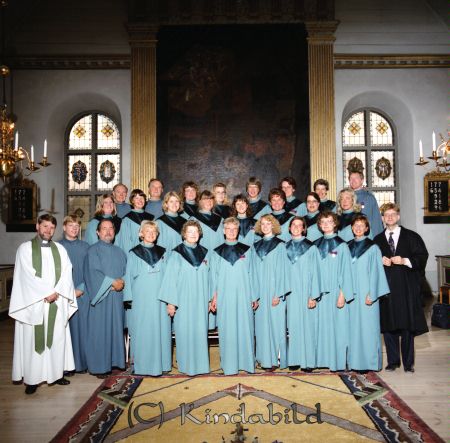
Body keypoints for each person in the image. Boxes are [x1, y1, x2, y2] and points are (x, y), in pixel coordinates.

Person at [9, 214, 77, 394]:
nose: (48, 230)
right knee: (33, 340)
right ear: (37, 227)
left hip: (57, 300)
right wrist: (46, 292)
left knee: (57, 338)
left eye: (51, 227)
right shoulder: (25, 249)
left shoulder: (60, 250)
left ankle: (57, 374)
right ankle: (32, 379)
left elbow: (66, 272)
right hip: (34, 303)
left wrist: (56, 292)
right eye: (45, 226)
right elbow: (26, 275)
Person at [374, 203, 429, 373]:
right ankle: (392, 362)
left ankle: (408, 363)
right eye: (386, 215)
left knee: (406, 325)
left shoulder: (412, 236)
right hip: (386, 288)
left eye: (393, 214)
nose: (389, 217)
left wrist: (405, 260)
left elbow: (422, 257)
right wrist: (378, 261)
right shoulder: (377, 240)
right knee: (388, 325)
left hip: (406, 287)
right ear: (382, 218)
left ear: (398, 216)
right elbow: (369, 263)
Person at [159, 220, 212, 376]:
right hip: (183, 300)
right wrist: (171, 303)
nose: (193, 234)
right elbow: (170, 279)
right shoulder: (177, 253)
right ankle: (186, 366)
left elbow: (210, 278)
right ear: (184, 234)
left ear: (200, 234)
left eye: (196, 232)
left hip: (201, 299)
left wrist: (210, 299)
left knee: (200, 331)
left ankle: (201, 366)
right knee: (185, 331)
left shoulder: (205, 253)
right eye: (190, 232)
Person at [210, 217, 258, 375]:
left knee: (246, 328)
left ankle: (247, 363)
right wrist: (214, 298)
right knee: (227, 330)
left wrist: (254, 297)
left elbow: (253, 274)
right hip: (225, 296)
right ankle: (229, 366)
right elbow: (214, 277)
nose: (231, 231)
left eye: (234, 229)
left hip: (244, 295)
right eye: (228, 228)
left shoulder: (247, 249)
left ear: (238, 231)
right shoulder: (217, 252)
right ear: (223, 231)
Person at [123, 221, 171, 376]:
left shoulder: (163, 252)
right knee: (144, 331)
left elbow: (168, 277)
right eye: (147, 231)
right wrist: (129, 299)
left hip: (160, 297)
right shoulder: (134, 253)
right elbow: (129, 277)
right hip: (141, 297)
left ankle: (161, 365)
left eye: (154, 231)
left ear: (157, 235)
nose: (151, 234)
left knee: (161, 329)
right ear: (140, 234)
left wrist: (170, 298)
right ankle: (143, 366)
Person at [84, 219, 127, 377]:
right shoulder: (92, 251)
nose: (108, 231)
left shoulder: (119, 251)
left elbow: (125, 272)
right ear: (97, 232)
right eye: (104, 229)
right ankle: (99, 367)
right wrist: (111, 283)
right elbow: (92, 273)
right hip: (101, 297)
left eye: (111, 228)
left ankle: (115, 362)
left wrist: (122, 282)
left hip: (116, 298)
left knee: (116, 329)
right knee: (100, 331)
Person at [347, 215, 389, 372]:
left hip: (367, 293)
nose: (358, 228)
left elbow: (376, 272)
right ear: (352, 228)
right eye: (355, 225)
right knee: (353, 329)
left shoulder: (373, 248)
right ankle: (354, 362)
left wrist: (372, 293)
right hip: (352, 294)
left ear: (366, 228)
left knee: (367, 329)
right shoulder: (348, 247)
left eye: (361, 225)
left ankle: (369, 363)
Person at [314, 211, 354, 371]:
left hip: (336, 292)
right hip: (320, 294)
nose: (326, 224)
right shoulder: (315, 245)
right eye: (323, 221)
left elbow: (346, 272)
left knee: (338, 329)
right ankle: (322, 360)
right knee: (321, 328)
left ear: (335, 223)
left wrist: (343, 295)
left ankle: (337, 362)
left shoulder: (342, 245)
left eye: (329, 221)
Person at [251, 214, 289, 370]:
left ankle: (275, 359)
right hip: (260, 292)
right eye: (263, 223)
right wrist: (254, 296)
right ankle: (262, 358)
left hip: (274, 292)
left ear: (274, 225)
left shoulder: (280, 245)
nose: (266, 226)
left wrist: (278, 294)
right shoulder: (255, 246)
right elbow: (252, 272)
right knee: (261, 327)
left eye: (269, 223)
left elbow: (283, 271)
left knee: (276, 326)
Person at [285, 217, 322, 371]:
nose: (296, 227)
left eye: (299, 225)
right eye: (293, 224)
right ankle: (294, 359)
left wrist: (313, 295)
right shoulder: (283, 248)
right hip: (290, 292)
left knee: (307, 327)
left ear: (304, 228)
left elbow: (316, 272)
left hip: (306, 291)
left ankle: (308, 362)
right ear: (289, 227)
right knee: (292, 326)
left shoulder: (311, 248)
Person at [59, 215, 90, 373]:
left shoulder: (86, 247)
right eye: (71, 225)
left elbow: (90, 271)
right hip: (62, 295)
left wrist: (81, 288)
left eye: (77, 226)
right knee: (65, 330)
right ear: (64, 227)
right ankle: (65, 367)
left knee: (82, 329)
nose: (74, 228)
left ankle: (81, 364)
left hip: (82, 292)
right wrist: (65, 291)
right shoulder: (56, 246)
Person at [116, 189, 154, 253]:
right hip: (134, 253)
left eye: (142, 198)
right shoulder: (127, 219)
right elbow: (126, 243)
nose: (140, 200)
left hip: (149, 252)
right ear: (132, 201)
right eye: (136, 198)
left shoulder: (151, 218)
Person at [349, 171, 383, 237]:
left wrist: (377, 238)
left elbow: (376, 220)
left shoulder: (369, 198)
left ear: (362, 180)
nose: (353, 180)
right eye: (351, 178)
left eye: (356, 178)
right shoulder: (346, 197)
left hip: (366, 236)